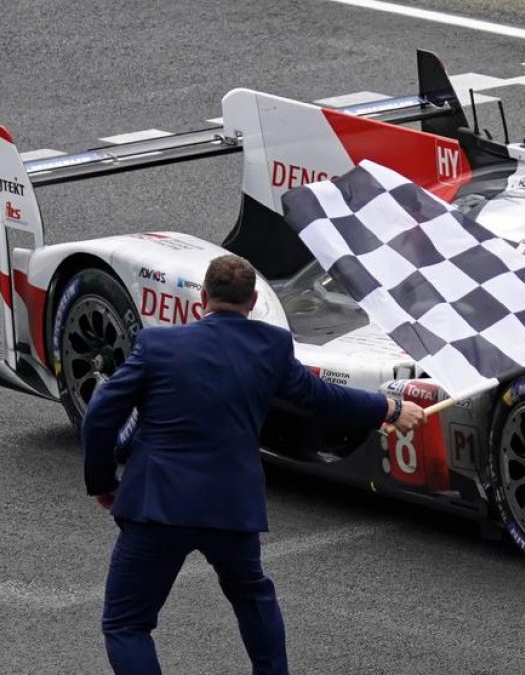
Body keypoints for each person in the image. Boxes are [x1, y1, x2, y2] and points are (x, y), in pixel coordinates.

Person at [82, 254, 425, 675]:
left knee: (127, 623)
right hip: (231, 507)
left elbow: (101, 416)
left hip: (158, 504)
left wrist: (102, 482)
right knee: (252, 596)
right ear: (255, 299)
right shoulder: (272, 348)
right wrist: (388, 409)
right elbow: (321, 399)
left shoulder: (158, 346)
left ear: (203, 297)